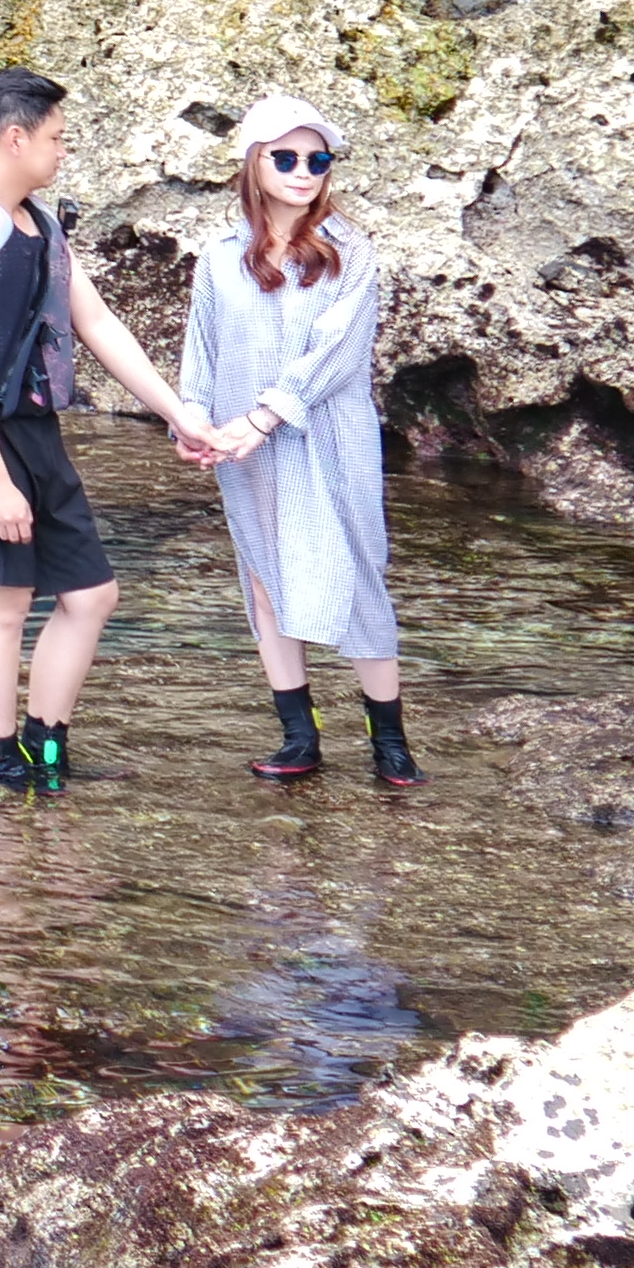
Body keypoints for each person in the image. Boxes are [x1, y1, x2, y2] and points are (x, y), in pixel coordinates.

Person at [0, 64, 230, 787]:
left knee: (91, 595)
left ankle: (47, 747)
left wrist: (178, 414)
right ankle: (0, 761)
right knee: (4, 600)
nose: (63, 151)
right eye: (57, 138)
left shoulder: (40, 225)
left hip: (34, 431)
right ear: (15, 138)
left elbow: (98, 323)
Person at [182, 94, 414, 786]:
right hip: (241, 441)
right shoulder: (220, 257)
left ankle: (390, 742)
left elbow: (337, 353)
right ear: (254, 163)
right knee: (262, 573)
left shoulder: (352, 251)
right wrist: (192, 419)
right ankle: (298, 735)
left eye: (318, 159)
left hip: (328, 435)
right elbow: (203, 349)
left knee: (359, 566)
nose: (304, 171)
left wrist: (263, 417)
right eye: (286, 157)